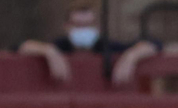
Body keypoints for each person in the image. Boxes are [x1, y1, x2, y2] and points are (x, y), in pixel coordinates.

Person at [17, 5, 159, 87]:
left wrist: (131, 56)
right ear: (67, 26)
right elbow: (20, 46)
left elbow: (154, 43)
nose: (83, 30)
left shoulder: (105, 45)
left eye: (87, 25)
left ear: (96, 27)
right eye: (78, 25)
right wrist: (49, 52)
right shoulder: (59, 45)